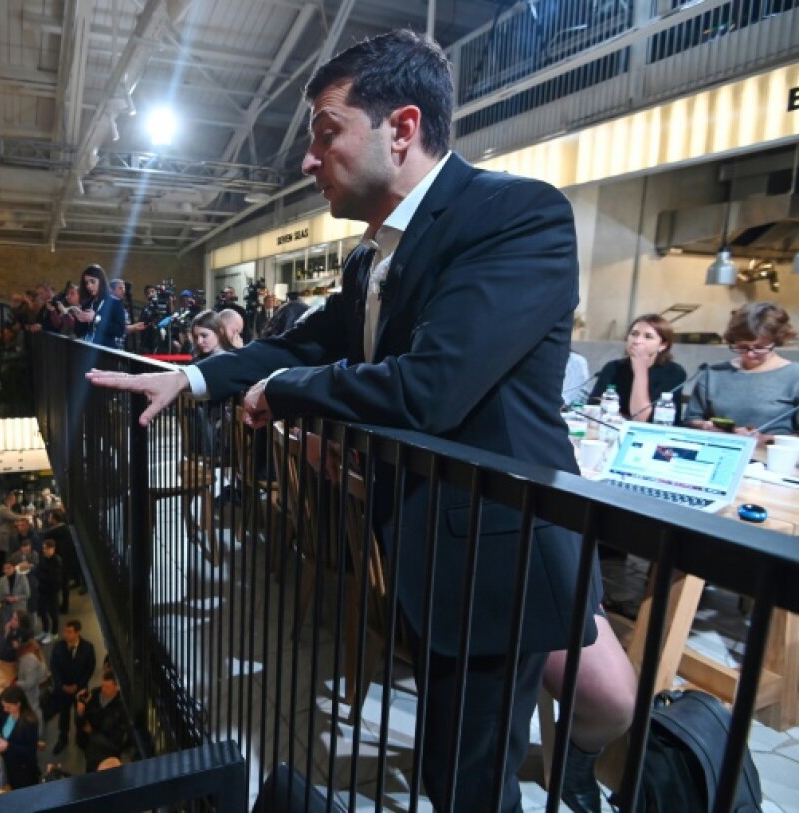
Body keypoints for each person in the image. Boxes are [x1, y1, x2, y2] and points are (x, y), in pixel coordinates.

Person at [87, 30, 604, 812]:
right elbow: (306, 340)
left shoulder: (517, 214)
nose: (306, 159)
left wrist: (287, 391)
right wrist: (192, 378)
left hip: (501, 554)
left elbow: (429, 388)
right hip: (428, 549)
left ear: (401, 129)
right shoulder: (370, 256)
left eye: (326, 133)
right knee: (451, 765)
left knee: (469, 781)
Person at [686, 302, 799, 440]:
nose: (750, 354)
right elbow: (691, 419)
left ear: (776, 340)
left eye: (759, 347)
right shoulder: (714, 373)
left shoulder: (794, 375)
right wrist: (705, 426)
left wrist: (765, 439)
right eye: (742, 347)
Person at [587, 314, 686, 421]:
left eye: (648, 337)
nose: (637, 341)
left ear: (663, 345)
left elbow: (641, 417)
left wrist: (640, 368)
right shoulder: (613, 367)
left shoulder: (674, 372)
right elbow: (593, 406)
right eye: (634, 334)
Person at [48, 620, 96, 754]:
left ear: (77, 632)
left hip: (79, 690)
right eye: (65, 631)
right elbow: (54, 667)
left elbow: (89, 668)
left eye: (69, 632)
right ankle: (63, 739)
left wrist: (78, 685)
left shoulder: (88, 648)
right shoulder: (59, 647)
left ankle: (81, 740)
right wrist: (61, 685)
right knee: (63, 715)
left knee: (80, 714)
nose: (66, 635)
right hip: (63, 690)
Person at [75, 670, 130, 772]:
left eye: (107, 687)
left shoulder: (122, 710)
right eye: (103, 686)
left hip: (107, 759)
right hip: (90, 752)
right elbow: (80, 723)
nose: (103, 690)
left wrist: (92, 733)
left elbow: (115, 746)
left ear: (117, 688)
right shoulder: (94, 695)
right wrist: (80, 712)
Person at [0, 687, 41, 789]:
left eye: (8, 707)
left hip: (23, 771)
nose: (5, 709)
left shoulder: (30, 723)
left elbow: (30, 752)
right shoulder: (8, 715)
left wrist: (8, 746)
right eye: (4, 706)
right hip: (10, 764)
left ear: (18, 704)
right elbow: (6, 731)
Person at [71, 264, 127, 348]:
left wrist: (95, 318)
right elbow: (79, 332)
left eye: (92, 281)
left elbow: (120, 331)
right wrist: (79, 319)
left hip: (105, 353)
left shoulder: (115, 302)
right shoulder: (87, 303)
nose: (89, 286)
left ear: (101, 281)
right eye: (86, 283)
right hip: (87, 349)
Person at [34, 538, 64, 641]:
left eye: (47, 548)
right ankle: (45, 630)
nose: (44, 550)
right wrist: (43, 575)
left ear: (53, 549)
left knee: (53, 612)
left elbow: (52, 578)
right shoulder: (43, 559)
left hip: (52, 591)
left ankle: (54, 633)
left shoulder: (57, 561)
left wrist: (42, 575)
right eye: (43, 548)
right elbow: (37, 572)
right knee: (42, 611)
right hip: (43, 590)